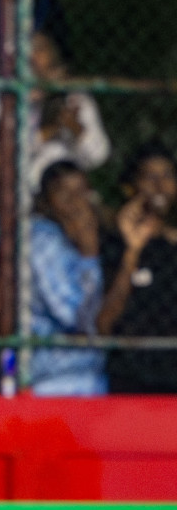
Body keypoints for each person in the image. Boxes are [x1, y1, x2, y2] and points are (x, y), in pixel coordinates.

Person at [98, 143, 177, 392]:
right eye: (149, 176)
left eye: (167, 176)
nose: (159, 185)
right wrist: (132, 251)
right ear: (132, 185)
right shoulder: (114, 244)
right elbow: (104, 322)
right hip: (131, 375)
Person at [28, 161, 105, 396]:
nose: (75, 202)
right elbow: (76, 317)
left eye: (81, 192)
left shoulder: (74, 239)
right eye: (64, 193)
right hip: (53, 381)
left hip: (88, 377)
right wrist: (89, 255)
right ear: (45, 201)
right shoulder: (42, 241)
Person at [27, 31, 110, 188]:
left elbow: (98, 155)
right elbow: (6, 152)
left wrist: (75, 127)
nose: (32, 55)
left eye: (39, 48)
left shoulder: (76, 99)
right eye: (27, 48)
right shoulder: (9, 98)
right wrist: (50, 129)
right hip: (27, 186)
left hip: (68, 190)